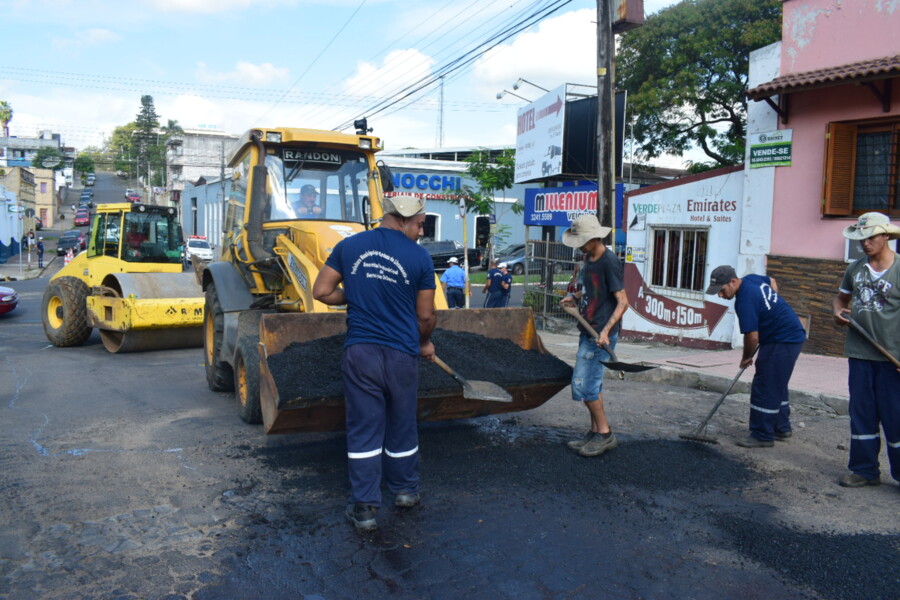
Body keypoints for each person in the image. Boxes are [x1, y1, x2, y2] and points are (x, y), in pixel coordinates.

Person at [312, 194, 436, 532]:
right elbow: (425, 314)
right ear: (402, 219)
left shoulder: (349, 246)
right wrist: (424, 343)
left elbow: (321, 292)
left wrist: (354, 293)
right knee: (402, 423)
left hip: (361, 353)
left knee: (365, 426)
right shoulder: (419, 257)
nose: (421, 232)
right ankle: (406, 491)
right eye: (420, 224)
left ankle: (364, 508)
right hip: (401, 355)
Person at [832, 212, 900, 488]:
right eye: (862, 238)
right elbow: (840, 298)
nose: (865, 242)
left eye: (871, 236)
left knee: (895, 416)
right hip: (860, 354)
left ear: (886, 236)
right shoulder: (856, 269)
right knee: (862, 413)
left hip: (892, 357)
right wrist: (837, 311)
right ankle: (864, 470)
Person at [706, 265, 806, 448]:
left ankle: (762, 434)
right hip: (790, 335)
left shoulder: (744, 301)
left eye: (721, 290)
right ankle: (781, 427)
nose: (720, 295)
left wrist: (746, 357)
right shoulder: (751, 279)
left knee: (765, 384)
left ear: (733, 282)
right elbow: (772, 282)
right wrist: (771, 307)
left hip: (782, 338)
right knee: (777, 382)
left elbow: (752, 336)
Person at [559, 214, 628, 457]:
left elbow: (623, 302)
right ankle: (595, 431)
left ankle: (605, 434)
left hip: (600, 334)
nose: (579, 245)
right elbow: (591, 289)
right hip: (587, 328)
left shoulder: (609, 262)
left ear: (594, 238)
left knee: (583, 385)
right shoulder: (588, 258)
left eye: (582, 241)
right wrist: (575, 297)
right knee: (592, 386)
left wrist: (606, 331)